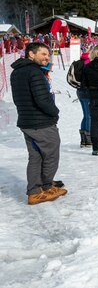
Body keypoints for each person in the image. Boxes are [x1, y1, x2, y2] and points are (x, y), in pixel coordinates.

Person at [10, 42, 68, 205]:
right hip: (41, 122)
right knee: (51, 155)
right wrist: (55, 112)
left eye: (48, 55)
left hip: (27, 121)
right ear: (31, 54)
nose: (47, 58)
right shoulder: (34, 72)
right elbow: (42, 100)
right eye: (43, 54)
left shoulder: (17, 72)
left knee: (36, 156)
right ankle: (46, 186)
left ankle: (35, 190)